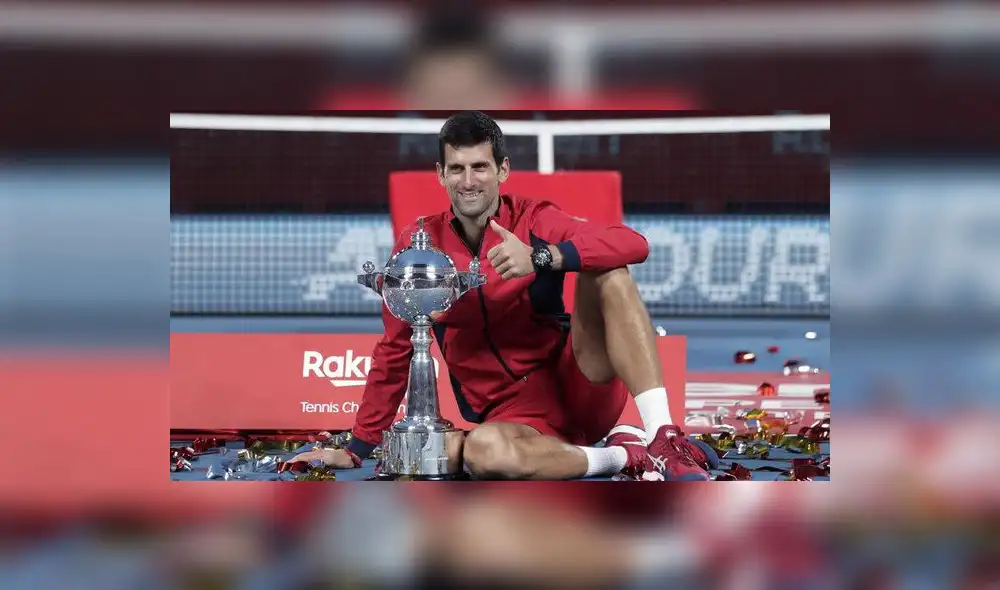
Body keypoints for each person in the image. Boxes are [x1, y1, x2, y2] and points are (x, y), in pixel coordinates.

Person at [288, 111, 718, 480]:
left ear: (503, 170)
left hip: (581, 382)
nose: (468, 181)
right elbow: (396, 347)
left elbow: (633, 244)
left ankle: (664, 437)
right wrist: (359, 447)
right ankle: (624, 455)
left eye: (480, 167)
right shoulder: (421, 244)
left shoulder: (535, 219)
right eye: (456, 169)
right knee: (482, 454)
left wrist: (543, 257)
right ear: (440, 174)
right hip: (515, 417)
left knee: (608, 270)